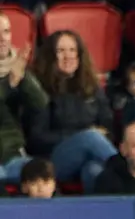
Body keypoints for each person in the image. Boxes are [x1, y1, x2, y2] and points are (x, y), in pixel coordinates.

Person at [28, 30, 117, 190]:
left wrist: (101, 134)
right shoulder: (40, 88)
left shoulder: (91, 85)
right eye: (61, 51)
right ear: (50, 56)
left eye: (72, 50)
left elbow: (108, 124)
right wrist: (79, 138)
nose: (67, 56)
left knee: (94, 171)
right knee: (90, 137)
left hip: (91, 153)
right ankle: (128, 174)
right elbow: (37, 137)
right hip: (53, 159)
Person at [0, 12, 45, 185]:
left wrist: (23, 77)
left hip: (13, 154)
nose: (2, 38)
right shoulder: (12, 77)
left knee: (42, 178)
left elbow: (41, 105)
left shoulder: (18, 67)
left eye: (6, 32)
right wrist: (9, 84)